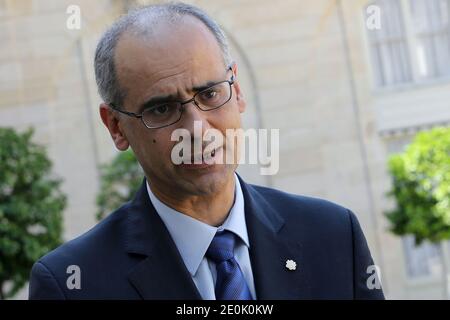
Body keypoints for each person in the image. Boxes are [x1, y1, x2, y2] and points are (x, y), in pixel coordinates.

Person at [29, 2, 384, 300]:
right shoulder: (71, 285)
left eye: (210, 94)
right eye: (162, 109)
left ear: (238, 90)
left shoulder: (334, 236)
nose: (197, 130)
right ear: (116, 127)